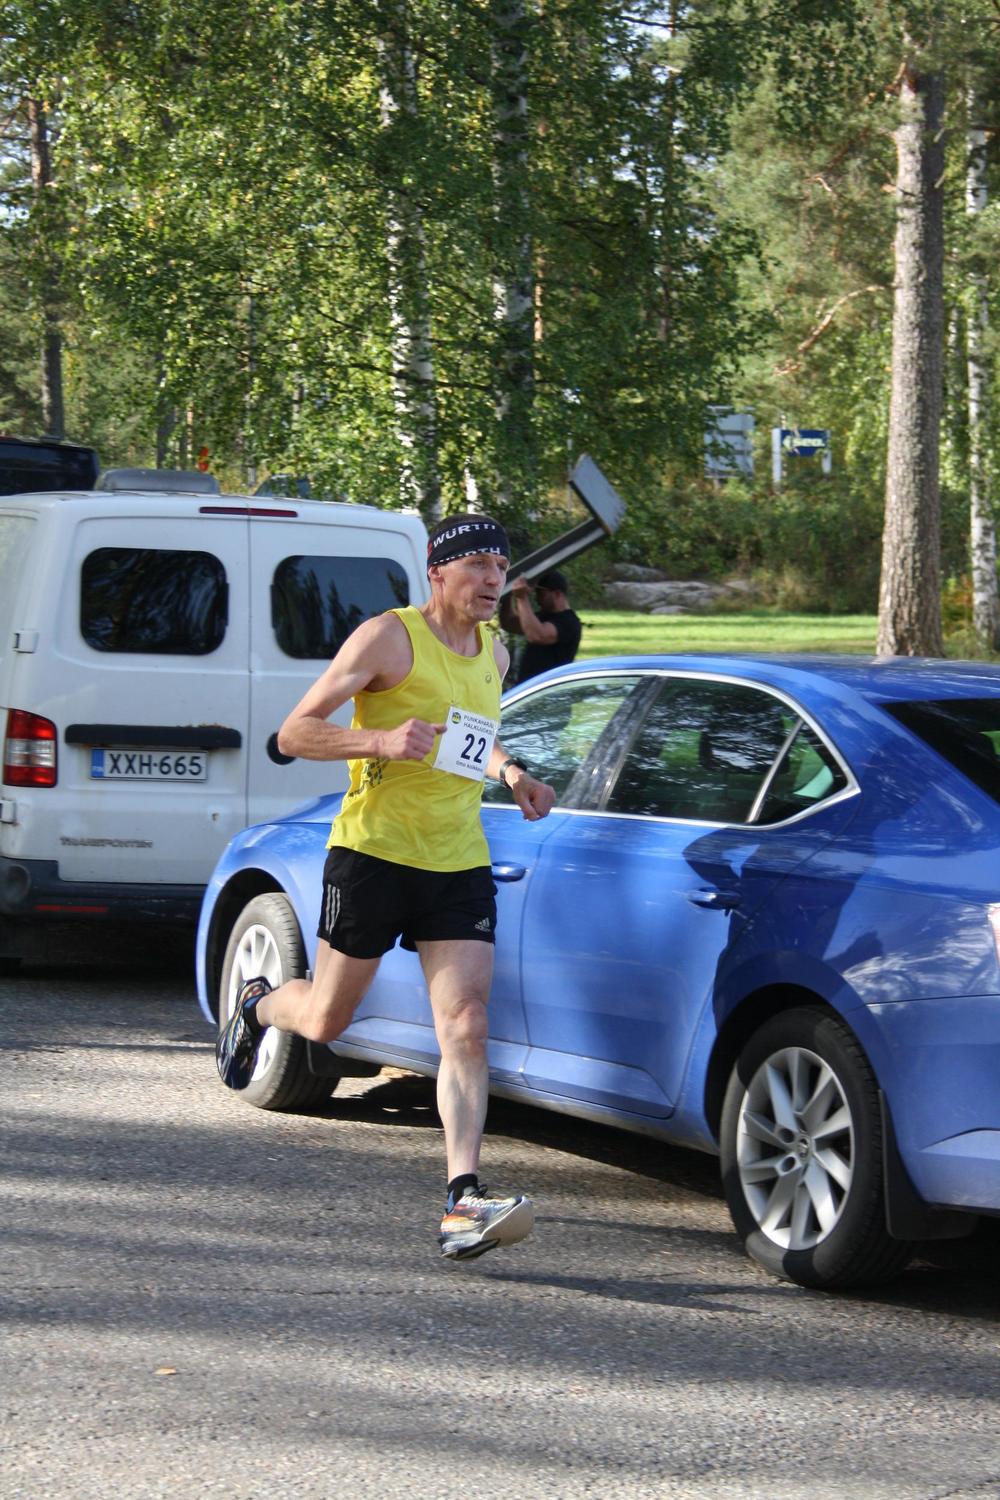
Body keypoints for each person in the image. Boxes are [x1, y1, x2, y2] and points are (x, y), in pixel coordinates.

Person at [216, 512, 556, 1262]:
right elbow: (294, 733)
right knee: (327, 1020)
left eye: (502, 567)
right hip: (372, 853)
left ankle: (462, 1198)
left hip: (456, 858)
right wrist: (379, 740)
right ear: (438, 571)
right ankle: (259, 1004)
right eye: (478, 565)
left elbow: (468, 735)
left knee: (466, 1022)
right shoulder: (388, 638)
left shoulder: (495, 653)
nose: (494, 580)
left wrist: (510, 772)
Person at [507, 568, 582, 684]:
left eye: (541, 593)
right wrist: (507, 596)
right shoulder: (543, 615)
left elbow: (536, 635)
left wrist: (522, 598)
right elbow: (509, 624)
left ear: (557, 594)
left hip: (548, 690)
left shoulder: (569, 622)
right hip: (529, 689)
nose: (537, 598)